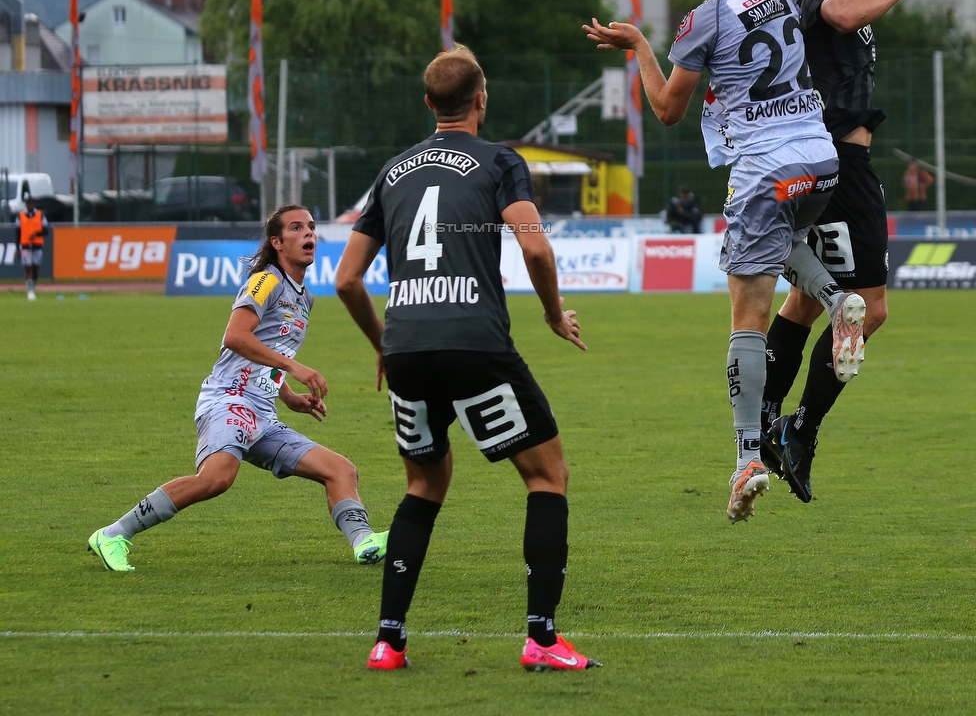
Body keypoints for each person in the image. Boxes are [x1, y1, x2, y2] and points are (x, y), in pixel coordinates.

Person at [585, 0, 865, 524]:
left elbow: (665, 108)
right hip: (819, 159)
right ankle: (834, 298)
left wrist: (637, 45)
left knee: (748, 322)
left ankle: (745, 458)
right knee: (780, 238)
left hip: (765, 168)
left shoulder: (702, 19)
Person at [335, 45, 599, 673]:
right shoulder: (500, 160)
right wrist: (551, 312)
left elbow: (346, 279)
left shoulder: (392, 171)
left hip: (406, 347)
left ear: (428, 104)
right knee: (546, 475)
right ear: (482, 99)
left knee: (423, 485)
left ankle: (388, 642)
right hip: (475, 342)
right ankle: (540, 637)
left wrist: (383, 345)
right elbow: (535, 249)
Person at [761, 0, 952, 503]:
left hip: (826, 163)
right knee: (868, 308)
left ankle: (764, 417)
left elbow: (852, 3)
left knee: (805, 301)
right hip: (841, 169)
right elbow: (844, 9)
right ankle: (799, 429)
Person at [88, 204, 388, 571]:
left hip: (261, 410)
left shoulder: (303, 297)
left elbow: (269, 350)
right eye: (297, 228)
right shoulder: (267, 280)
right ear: (277, 242)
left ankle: (364, 542)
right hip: (228, 398)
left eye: (310, 226)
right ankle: (113, 534)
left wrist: (288, 396)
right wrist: (294, 367)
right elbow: (235, 336)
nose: (309, 233)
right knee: (216, 478)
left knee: (341, 470)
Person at [17, 193, 49, 301]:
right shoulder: (20, 215)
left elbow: (46, 230)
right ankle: (30, 291)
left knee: (35, 268)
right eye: (27, 203)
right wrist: (18, 248)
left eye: (31, 203)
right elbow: (18, 231)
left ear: (34, 204)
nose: (29, 205)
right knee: (28, 267)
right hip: (25, 245)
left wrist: (36, 233)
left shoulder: (40, 215)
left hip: (37, 245)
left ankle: (33, 287)